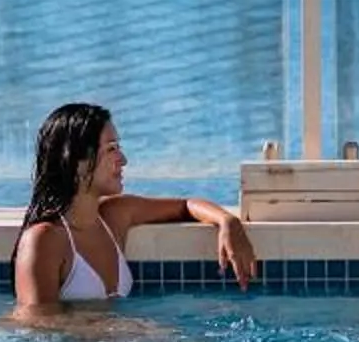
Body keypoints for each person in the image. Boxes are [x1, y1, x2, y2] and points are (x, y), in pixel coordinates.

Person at [13, 102, 258, 309]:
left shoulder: (114, 216)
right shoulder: (45, 240)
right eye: (111, 149)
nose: (124, 160)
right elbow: (39, 329)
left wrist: (228, 222)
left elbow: (185, 205)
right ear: (77, 162)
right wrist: (124, 332)